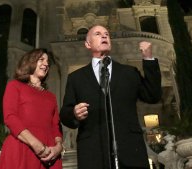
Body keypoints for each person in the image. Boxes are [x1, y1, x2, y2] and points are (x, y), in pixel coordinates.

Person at [60, 25, 162, 169]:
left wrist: (148, 59)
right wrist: (74, 113)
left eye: (107, 34)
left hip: (130, 151)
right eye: (98, 33)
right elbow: (65, 114)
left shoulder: (129, 73)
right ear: (88, 44)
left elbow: (153, 95)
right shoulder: (76, 78)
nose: (104, 36)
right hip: (93, 154)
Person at [0, 49, 63, 169]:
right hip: (22, 147)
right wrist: (35, 144)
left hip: (49, 154)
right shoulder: (15, 86)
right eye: (41, 59)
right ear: (29, 62)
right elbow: (10, 117)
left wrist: (58, 147)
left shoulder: (51, 97)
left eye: (48, 61)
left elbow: (56, 126)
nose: (46, 64)